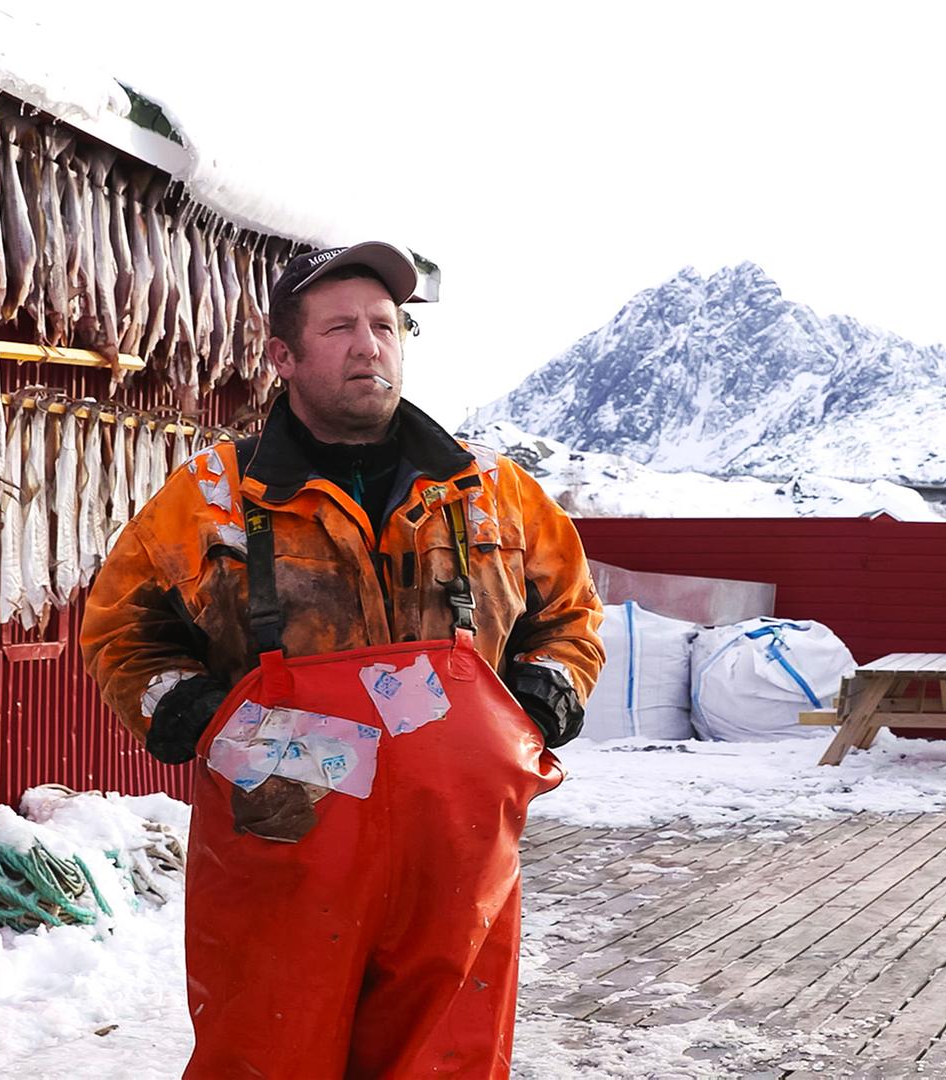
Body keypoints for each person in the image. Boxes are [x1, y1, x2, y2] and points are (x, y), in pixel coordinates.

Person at [79, 240, 605, 1078]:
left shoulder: (493, 492)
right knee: (268, 1056)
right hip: (284, 838)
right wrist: (189, 710)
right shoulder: (210, 499)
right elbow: (122, 631)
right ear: (283, 356)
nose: (369, 346)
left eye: (384, 326)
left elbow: (570, 616)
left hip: (456, 854)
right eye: (339, 329)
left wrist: (545, 696)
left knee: (446, 1061)